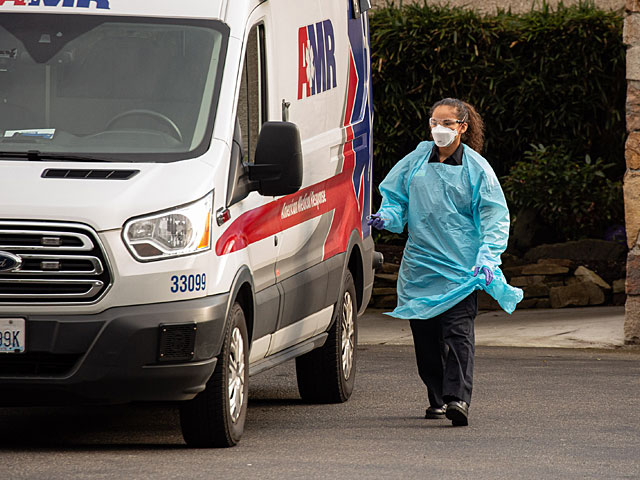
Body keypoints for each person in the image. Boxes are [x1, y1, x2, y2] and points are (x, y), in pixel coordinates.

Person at [368, 98, 523, 427]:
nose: (439, 129)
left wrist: (487, 259)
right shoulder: (416, 159)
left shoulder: (477, 169)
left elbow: (494, 217)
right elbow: (397, 198)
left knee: (457, 334)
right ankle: (437, 397)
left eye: (447, 123)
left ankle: (458, 399)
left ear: (462, 128)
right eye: (434, 122)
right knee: (425, 339)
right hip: (421, 267)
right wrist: (386, 216)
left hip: (462, 268)